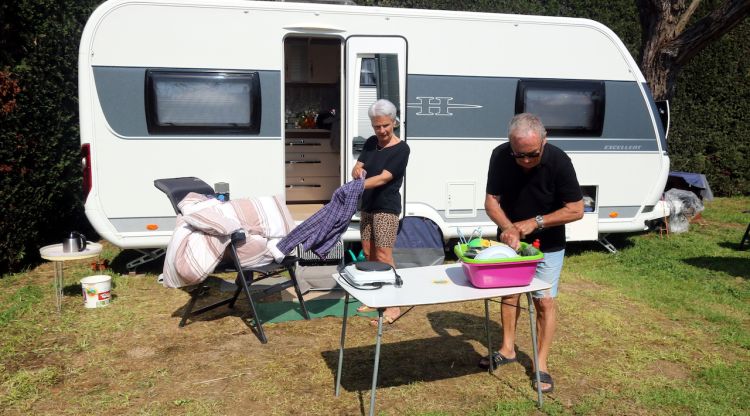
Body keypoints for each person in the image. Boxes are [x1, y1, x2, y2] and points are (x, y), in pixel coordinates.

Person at [482, 113, 583, 394]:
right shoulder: (500, 156)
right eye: (519, 155)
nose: (525, 160)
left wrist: (535, 222)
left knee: (544, 302)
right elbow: (491, 201)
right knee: (510, 294)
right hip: (510, 240)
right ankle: (507, 348)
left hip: (548, 243)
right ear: (510, 145)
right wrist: (507, 227)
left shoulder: (559, 161)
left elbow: (576, 209)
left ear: (544, 140)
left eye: (532, 154)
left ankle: (541, 364)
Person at [351, 99, 410, 326]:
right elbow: (359, 166)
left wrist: (357, 185)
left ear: (394, 122)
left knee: (384, 255)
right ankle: (375, 298)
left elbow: (385, 177)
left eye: (385, 125)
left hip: (386, 207)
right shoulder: (370, 143)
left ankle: (394, 304)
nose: (382, 130)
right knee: (368, 254)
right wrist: (356, 169)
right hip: (368, 206)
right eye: (377, 126)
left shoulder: (401, 148)